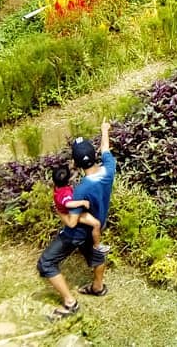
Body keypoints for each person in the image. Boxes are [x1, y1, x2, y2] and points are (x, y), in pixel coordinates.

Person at [38, 120, 117, 321]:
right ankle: (98, 287)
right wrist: (104, 130)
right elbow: (106, 148)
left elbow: (72, 222)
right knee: (97, 253)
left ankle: (70, 304)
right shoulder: (109, 168)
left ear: (75, 163)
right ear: (94, 154)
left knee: (46, 264)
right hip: (99, 222)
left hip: (77, 232)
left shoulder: (81, 190)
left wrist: (58, 210)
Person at [52, 166, 110, 255]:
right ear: (67, 181)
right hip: (69, 212)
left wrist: (75, 170)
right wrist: (82, 202)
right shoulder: (65, 193)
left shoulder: (57, 187)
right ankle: (97, 246)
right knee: (96, 224)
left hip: (64, 209)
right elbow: (68, 204)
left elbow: (68, 179)